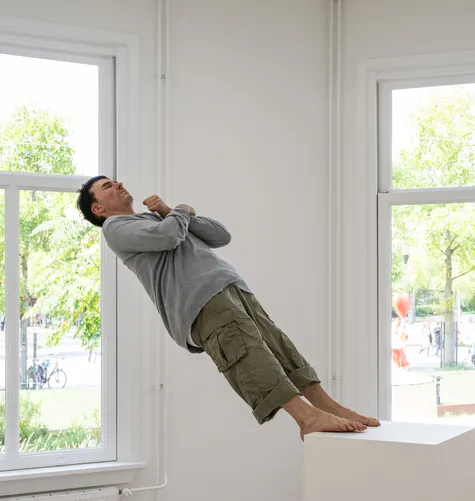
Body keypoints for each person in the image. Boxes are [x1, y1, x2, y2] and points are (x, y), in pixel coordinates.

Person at [76, 176, 380, 439]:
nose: (118, 184)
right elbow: (169, 237)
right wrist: (180, 210)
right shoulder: (115, 227)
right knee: (248, 353)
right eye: (107, 186)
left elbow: (221, 236)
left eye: (115, 181)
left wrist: (170, 212)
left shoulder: (158, 218)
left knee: (278, 346)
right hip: (199, 300)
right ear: (98, 208)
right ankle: (307, 418)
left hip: (230, 287)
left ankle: (327, 406)